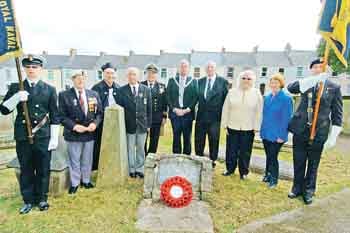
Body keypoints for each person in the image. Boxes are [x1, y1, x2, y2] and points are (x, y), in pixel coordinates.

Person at [0, 55, 60, 214]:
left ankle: (42, 199)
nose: (31, 70)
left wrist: (54, 138)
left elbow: (55, 115)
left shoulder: (49, 89)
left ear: (40, 69)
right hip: (23, 136)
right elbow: (4, 110)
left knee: (43, 168)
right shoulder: (15, 87)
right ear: (24, 69)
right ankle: (28, 200)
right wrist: (16, 98)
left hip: (42, 136)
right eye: (28, 67)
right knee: (26, 168)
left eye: (35, 67)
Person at [287, 58, 343, 204]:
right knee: (298, 161)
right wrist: (314, 79)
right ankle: (296, 188)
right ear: (311, 69)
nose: (318, 69)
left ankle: (309, 190)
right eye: (315, 67)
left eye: (321, 67)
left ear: (327, 70)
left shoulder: (334, 87)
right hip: (301, 129)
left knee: (313, 163)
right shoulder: (306, 83)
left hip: (319, 132)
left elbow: (337, 114)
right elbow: (291, 88)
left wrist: (333, 137)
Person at [59, 73, 102, 195]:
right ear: (73, 80)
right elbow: (61, 116)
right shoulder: (64, 95)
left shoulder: (93, 94)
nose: (80, 81)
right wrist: (74, 126)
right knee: (74, 160)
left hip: (89, 133)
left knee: (87, 159)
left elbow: (99, 113)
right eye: (77, 78)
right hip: (74, 134)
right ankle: (75, 183)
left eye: (82, 78)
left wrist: (95, 124)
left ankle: (86, 180)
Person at [221, 70, 263, 179]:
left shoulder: (256, 93)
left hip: (248, 128)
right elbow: (226, 109)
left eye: (249, 79)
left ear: (252, 81)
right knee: (231, 150)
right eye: (244, 78)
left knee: (245, 151)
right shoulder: (232, 92)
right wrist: (224, 124)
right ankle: (229, 169)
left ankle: (243, 172)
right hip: (232, 125)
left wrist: (256, 127)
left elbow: (259, 111)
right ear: (239, 79)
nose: (246, 80)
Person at [260, 73, 293, 188]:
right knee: (269, 156)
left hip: (277, 134)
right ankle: (267, 174)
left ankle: (274, 179)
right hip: (266, 133)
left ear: (281, 84)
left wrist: (282, 136)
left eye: (276, 82)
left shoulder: (286, 99)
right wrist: (262, 131)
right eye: (272, 82)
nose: (274, 84)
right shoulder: (268, 97)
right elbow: (264, 115)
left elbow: (286, 119)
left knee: (273, 157)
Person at [119, 67, 152, 178]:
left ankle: (140, 168)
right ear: (127, 77)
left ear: (138, 76)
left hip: (142, 125)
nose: (132, 76)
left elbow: (149, 109)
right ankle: (131, 169)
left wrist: (148, 125)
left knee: (141, 148)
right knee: (130, 148)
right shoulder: (122, 91)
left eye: (134, 74)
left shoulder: (146, 89)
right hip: (129, 125)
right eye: (130, 74)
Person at [195, 61, 228, 168]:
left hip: (215, 118)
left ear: (215, 69)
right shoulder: (199, 82)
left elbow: (225, 101)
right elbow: (195, 98)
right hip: (201, 117)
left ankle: (212, 160)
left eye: (212, 67)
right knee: (199, 139)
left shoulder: (222, 82)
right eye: (208, 67)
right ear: (205, 69)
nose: (209, 69)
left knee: (213, 140)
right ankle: (198, 159)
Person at [91, 62, 121, 170]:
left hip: (114, 121)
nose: (110, 75)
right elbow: (93, 107)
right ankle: (96, 167)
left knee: (113, 144)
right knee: (98, 144)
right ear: (103, 74)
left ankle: (112, 165)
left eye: (112, 73)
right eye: (107, 73)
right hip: (101, 121)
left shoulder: (118, 88)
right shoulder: (96, 88)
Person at [166, 59, 198, 155]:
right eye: (181, 66)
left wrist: (187, 109)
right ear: (178, 68)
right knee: (176, 136)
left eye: (185, 66)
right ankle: (176, 157)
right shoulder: (172, 81)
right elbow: (168, 96)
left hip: (187, 114)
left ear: (188, 69)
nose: (183, 68)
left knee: (187, 137)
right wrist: (174, 109)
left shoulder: (193, 81)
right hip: (175, 114)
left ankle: (187, 158)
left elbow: (196, 97)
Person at [141, 64, 167, 155]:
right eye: (149, 73)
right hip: (143, 118)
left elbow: (165, 103)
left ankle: (151, 158)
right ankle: (143, 158)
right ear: (146, 74)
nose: (151, 75)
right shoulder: (140, 85)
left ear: (156, 75)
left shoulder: (162, 86)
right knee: (142, 140)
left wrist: (164, 117)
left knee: (154, 140)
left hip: (157, 118)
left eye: (153, 74)